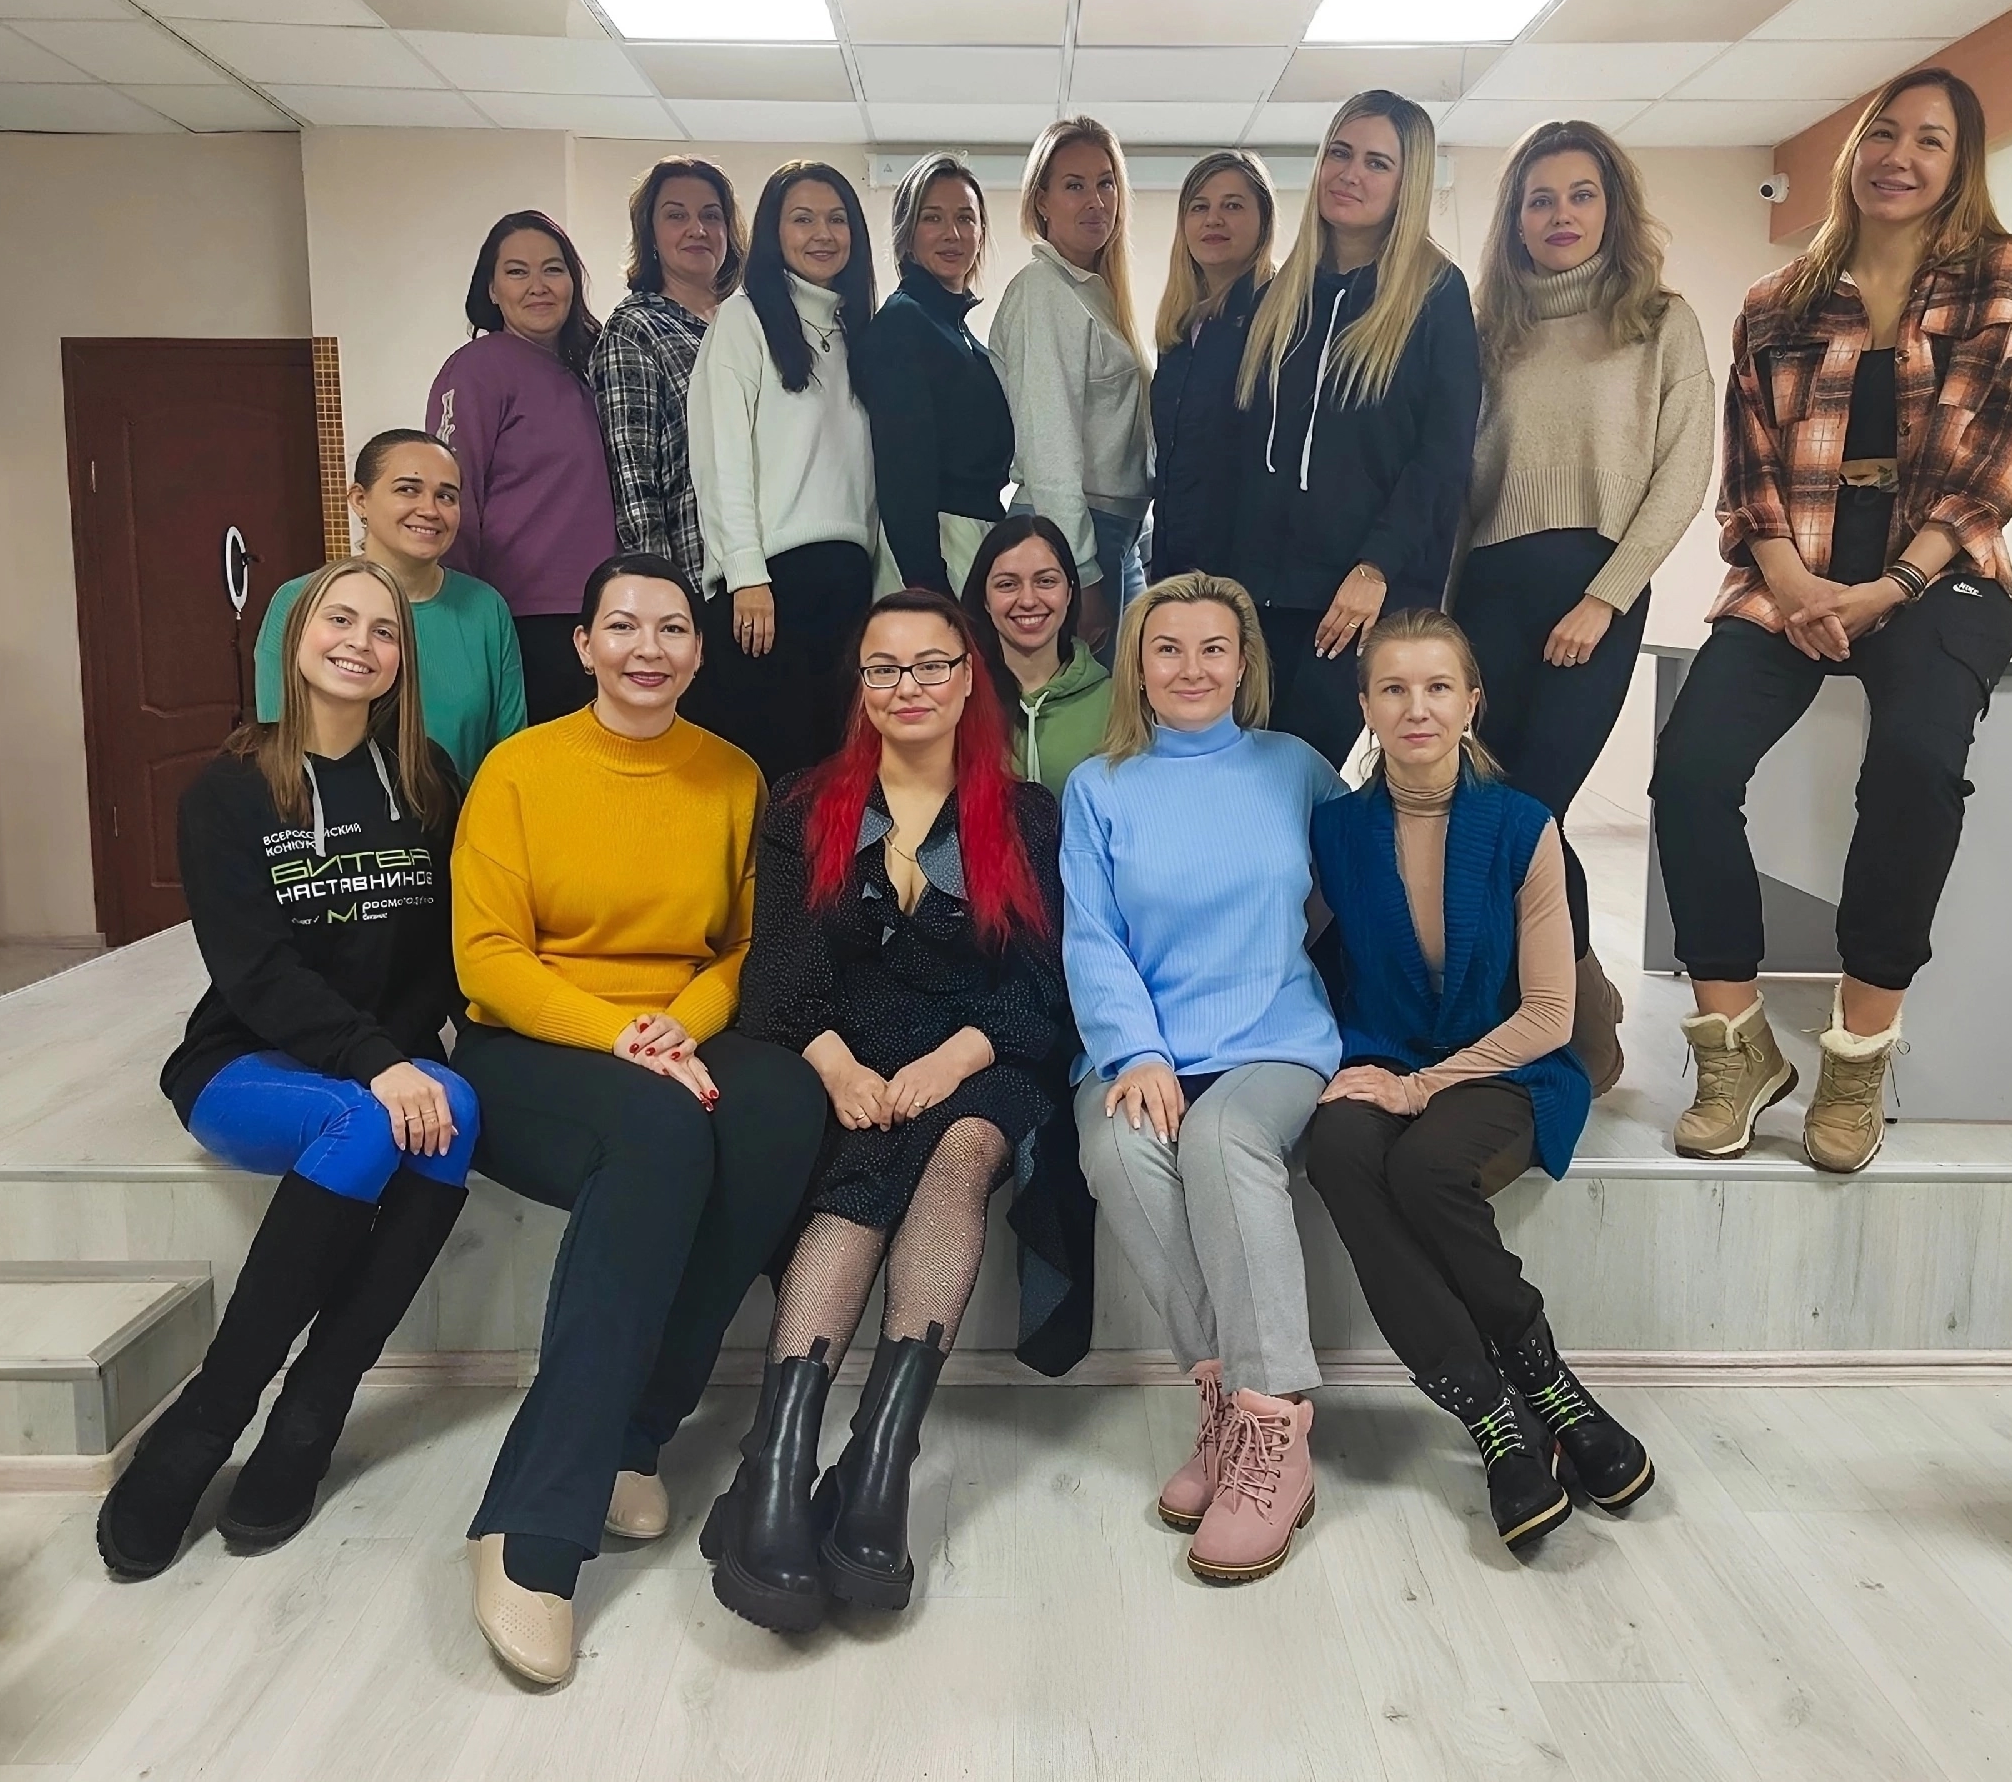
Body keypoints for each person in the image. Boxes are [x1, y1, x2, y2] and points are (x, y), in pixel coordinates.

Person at [1651, 67, 2012, 1173]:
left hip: (1940, 573)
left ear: (1960, 166)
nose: (1900, 156)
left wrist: (1890, 590)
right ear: (1853, 152)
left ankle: (1857, 1050)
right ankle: (1735, 1045)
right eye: (1884, 133)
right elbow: (1749, 477)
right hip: (1791, 572)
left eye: (1930, 140)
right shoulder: (1777, 301)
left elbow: (1988, 476)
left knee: (1916, 763)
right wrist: (1793, 586)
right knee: (1688, 770)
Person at [451, 552, 828, 1687]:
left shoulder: (732, 775)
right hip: (534, 1046)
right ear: (582, 644)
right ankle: (531, 1520)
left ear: (699, 652)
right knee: (662, 1133)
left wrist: (675, 1026)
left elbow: (745, 946)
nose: (647, 648)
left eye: (671, 627)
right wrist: (617, 1033)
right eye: (621, 625)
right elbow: (487, 956)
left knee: (781, 1103)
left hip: (674, 1034)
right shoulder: (519, 770)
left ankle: (636, 1430)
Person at [105, 558, 475, 1579]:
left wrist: (420, 1053)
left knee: (459, 1105)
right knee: (373, 1117)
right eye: (338, 619)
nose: (360, 641)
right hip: (245, 1060)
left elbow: (447, 952)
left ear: (401, 659)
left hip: (377, 1065)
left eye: (384, 629)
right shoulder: (227, 790)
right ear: (296, 636)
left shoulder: (427, 778)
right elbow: (255, 972)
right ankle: (209, 1416)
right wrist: (377, 1063)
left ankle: (312, 1409)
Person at [706, 590, 1067, 1634]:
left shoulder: (1026, 813)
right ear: (860, 684)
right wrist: (837, 1067)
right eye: (884, 667)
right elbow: (777, 972)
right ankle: (782, 1461)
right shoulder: (802, 804)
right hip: (849, 1054)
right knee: (857, 1177)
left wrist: (953, 1059)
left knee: (962, 1150)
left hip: (982, 1052)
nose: (908, 686)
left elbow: (1041, 985)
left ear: (967, 676)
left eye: (930, 664)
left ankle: (879, 1459)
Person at [1302, 609, 1653, 1552]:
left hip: (1508, 1063)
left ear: (1472, 702)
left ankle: (1544, 1383)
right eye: (1394, 688)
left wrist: (1421, 1090)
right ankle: (1496, 1414)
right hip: (1383, 1051)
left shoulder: (1523, 825)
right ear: (1366, 706)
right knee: (1337, 1147)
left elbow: (1548, 1015)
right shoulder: (1334, 829)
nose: (1416, 708)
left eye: (1438, 687)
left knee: (1425, 1168)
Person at [1061, 573, 1344, 1584]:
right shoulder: (1099, 787)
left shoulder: (1296, 768)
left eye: (1212, 647)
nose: (1191, 668)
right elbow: (1091, 936)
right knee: (1117, 1149)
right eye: (1167, 648)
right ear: (1137, 666)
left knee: (1223, 1138)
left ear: (1243, 662)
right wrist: (1135, 1050)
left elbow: (1356, 886)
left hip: (1276, 1034)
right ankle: (1225, 1399)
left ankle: (1272, 1423)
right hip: (1146, 1046)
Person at [1454, 122, 1713, 1093]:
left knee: (1534, 809)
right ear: (1515, 219)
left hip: (1593, 594)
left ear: (1613, 206)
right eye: (1540, 199)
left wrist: (1606, 596)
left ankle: (1572, 1020)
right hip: (1487, 591)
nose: (1560, 215)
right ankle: (1559, 996)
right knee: (1487, 809)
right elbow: (1460, 486)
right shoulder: (1490, 330)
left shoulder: (1660, 321)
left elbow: (1682, 472)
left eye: (1580, 194)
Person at [1232, 91, 1481, 768]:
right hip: (1264, 592)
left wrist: (1376, 567)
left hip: (1361, 595)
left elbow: (1442, 457)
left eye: (1377, 163)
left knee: (1300, 776)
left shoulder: (1436, 294)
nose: (1350, 174)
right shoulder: (1281, 294)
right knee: (1245, 778)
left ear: (1408, 183)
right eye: (1340, 153)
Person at [688, 160, 896, 782]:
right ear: (773, 232)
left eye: (837, 219)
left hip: (847, 581)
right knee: (773, 777)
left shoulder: (858, 331)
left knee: (837, 776)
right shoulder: (743, 319)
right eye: (802, 219)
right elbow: (721, 458)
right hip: (769, 587)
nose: (822, 234)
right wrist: (746, 573)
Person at [429, 209, 617, 724]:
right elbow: (451, 495)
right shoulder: (476, 368)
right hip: (519, 618)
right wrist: (456, 618)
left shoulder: (591, 369)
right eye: (517, 272)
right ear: (491, 290)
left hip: (601, 612)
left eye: (553, 269)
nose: (538, 285)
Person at [254, 429, 526, 785]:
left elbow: (511, 754)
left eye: (446, 496)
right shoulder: (299, 601)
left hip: (465, 819)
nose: (429, 510)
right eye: (408, 490)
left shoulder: (485, 609)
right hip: (329, 817)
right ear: (359, 500)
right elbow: (279, 746)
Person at [990, 117, 1151, 644]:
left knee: (1119, 692)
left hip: (1113, 532)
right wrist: (1079, 571)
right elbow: (1050, 447)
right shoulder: (1043, 290)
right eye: (1074, 186)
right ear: (1042, 201)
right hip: (1071, 533)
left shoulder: (1097, 293)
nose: (1095, 201)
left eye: (1106, 183)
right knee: (1083, 693)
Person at [863, 153, 1015, 593]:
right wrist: (928, 584)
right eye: (933, 218)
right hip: (934, 546)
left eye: (965, 218)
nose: (953, 233)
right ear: (907, 234)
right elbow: (902, 473)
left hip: (975, 537)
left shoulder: (959, 333)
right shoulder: (903, 323)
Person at [596, 156, 741, 595]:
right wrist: (662, 594)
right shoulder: (635, 328)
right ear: (651, 234)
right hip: (697, 579)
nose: (697, 229)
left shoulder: (748, 324)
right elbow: (633, 479)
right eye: (676, 216)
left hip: (766, 573)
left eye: (711, 216)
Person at [1148, 150, 1275, 582]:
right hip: (1177, 561)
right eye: (1199, 207)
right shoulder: (1179, 330)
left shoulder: (1281, 318)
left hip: (1250, 566)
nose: (1213, 219)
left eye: (1232, 206)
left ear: (1263, 221)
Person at [960, 513, 1112, 800]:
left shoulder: (1117, 702)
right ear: (985, 599)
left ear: (1069, 593)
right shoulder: (957, 695)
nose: (1028, 600)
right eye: (1007, 584)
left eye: (1045, 581)